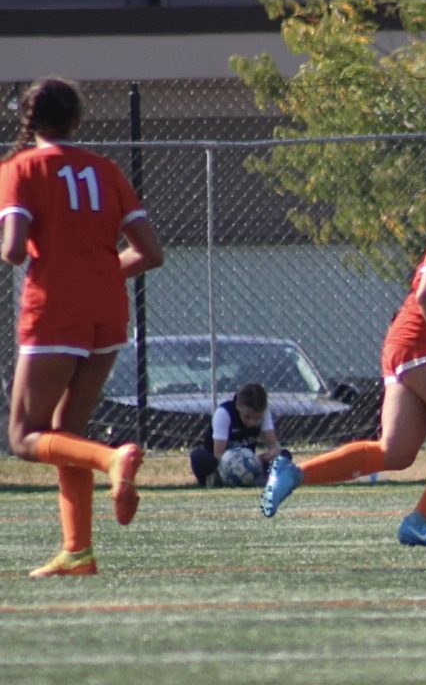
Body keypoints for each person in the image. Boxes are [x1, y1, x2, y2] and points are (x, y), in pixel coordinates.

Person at [259, 168, 426, 546]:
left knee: (397, 452)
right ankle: (420, 521)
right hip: (422, 342)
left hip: (413, 346)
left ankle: (295, 473)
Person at [1, 78, 164, 577]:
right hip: (107, 311)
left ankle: (112, 461)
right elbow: (150, 253)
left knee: (24, 437)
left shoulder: (20, 167)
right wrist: (96, 271)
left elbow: (11, 249)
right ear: (76, 120)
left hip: (55, 311)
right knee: (66, 431)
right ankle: (78, 552)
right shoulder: (106, 170)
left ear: (30, 121)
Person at [189, 382, 287, 487]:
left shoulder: (264, 412)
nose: (252, 422)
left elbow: (273, 444)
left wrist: (274, 451)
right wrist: (238, 464)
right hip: (220, 465)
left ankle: (262, 480)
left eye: (257, 418)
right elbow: (219, 455)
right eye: (247, 417)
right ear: (238, 406)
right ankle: (214, 482)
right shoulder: (224, 413)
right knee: (197, 456)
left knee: (284, 456)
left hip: (248, 464)